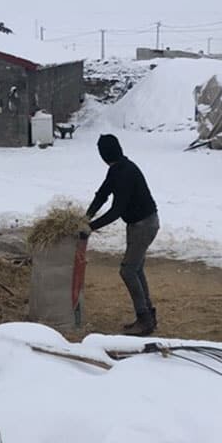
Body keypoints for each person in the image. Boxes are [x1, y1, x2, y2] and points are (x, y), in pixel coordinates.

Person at [84, 134, 160, 336]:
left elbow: (117, 210)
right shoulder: (117, 169)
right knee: (136, 269)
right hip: (139, 224)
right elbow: (102, 194)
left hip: (144, 225)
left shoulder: (126, 172)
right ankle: (148, 315)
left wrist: (90, 227)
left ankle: (144, 319)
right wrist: (85, 218)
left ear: (104, 155)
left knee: (128, 271)